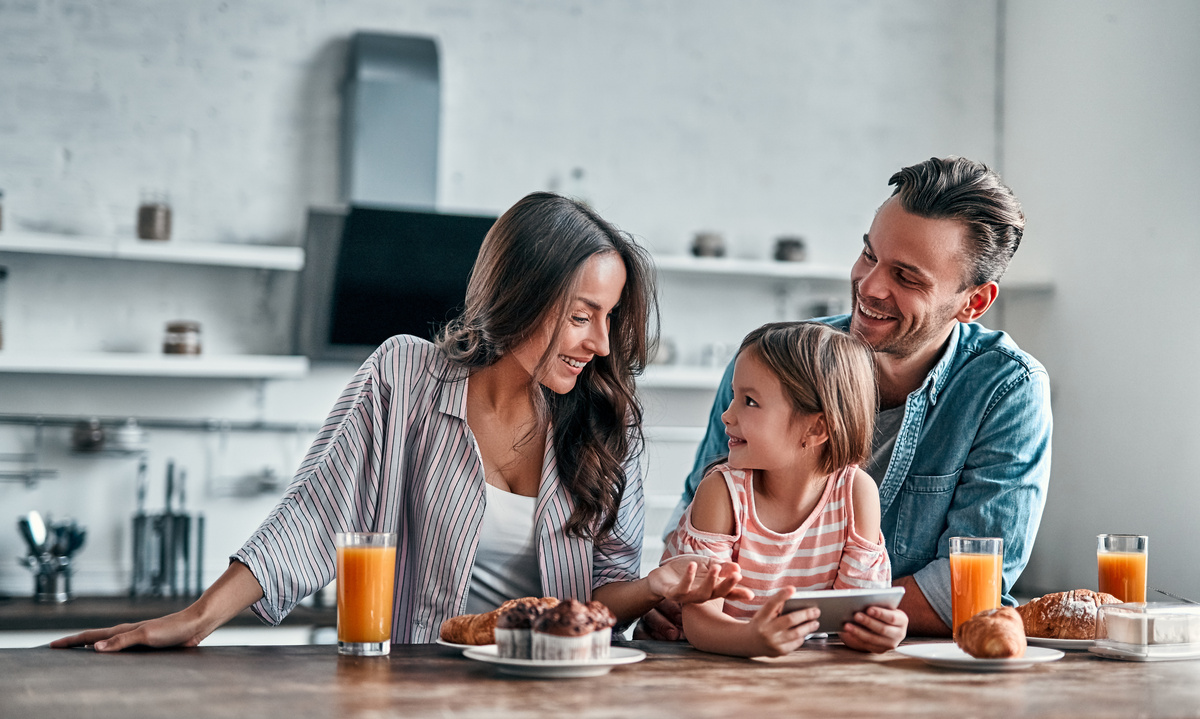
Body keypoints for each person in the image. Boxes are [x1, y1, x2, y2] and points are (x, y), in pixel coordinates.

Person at [54, 192, 746, 651]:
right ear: (522, 295)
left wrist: (656, 586)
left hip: (552, 695)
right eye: (579, 314)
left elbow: (602, 599)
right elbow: (315, 510)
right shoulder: (406, 377)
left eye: (608, 317)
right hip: (414, 686)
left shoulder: (603, 423)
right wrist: (196, 619)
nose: (599, 342)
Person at [643, 156, 1052, 640]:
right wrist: (679, 597)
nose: (870, 285)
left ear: (974, 302)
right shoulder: (774, 362)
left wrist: (769, 618)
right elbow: (698, 519)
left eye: (907, 277)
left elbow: (968, 587)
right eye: (869, 255)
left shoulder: (1007, 388)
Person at [664, 322, 909, 657]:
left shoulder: (856, 494)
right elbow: (700, 624)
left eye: (749, 401)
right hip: (709, 667)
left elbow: (853, 620)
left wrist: (880, 629)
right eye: (734, 396)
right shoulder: (721, 493)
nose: (727, 414)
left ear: (817, 427)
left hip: (798, 673)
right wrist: (753, 639)